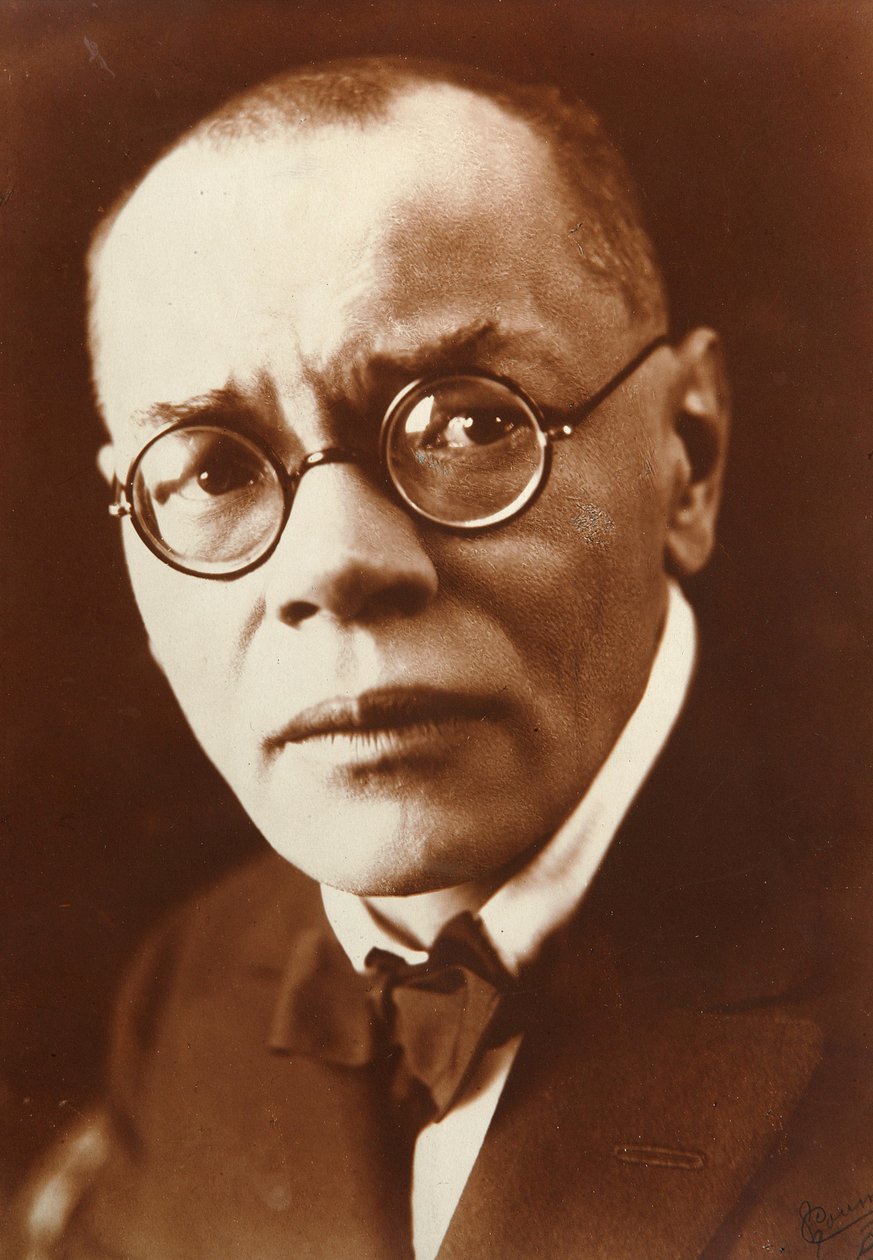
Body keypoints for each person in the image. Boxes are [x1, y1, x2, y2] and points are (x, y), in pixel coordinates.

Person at [9, 55, 872, 1260]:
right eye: (209, 470)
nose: (333, 565)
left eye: (469, 422)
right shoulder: (194, 986)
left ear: (690, 453)